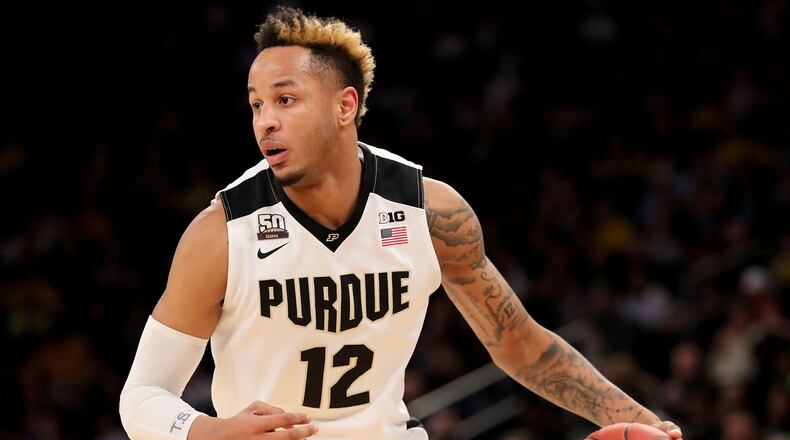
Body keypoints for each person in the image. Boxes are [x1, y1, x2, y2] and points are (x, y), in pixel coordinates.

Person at [118, 6, 683, 440]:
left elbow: (517, 342)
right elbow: (142, 393)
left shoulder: (431, 213)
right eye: (256, 105)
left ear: (345, 107)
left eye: (285, 100)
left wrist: (642, 421)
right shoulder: (222, 232)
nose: (265, 121)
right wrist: (208, 431)